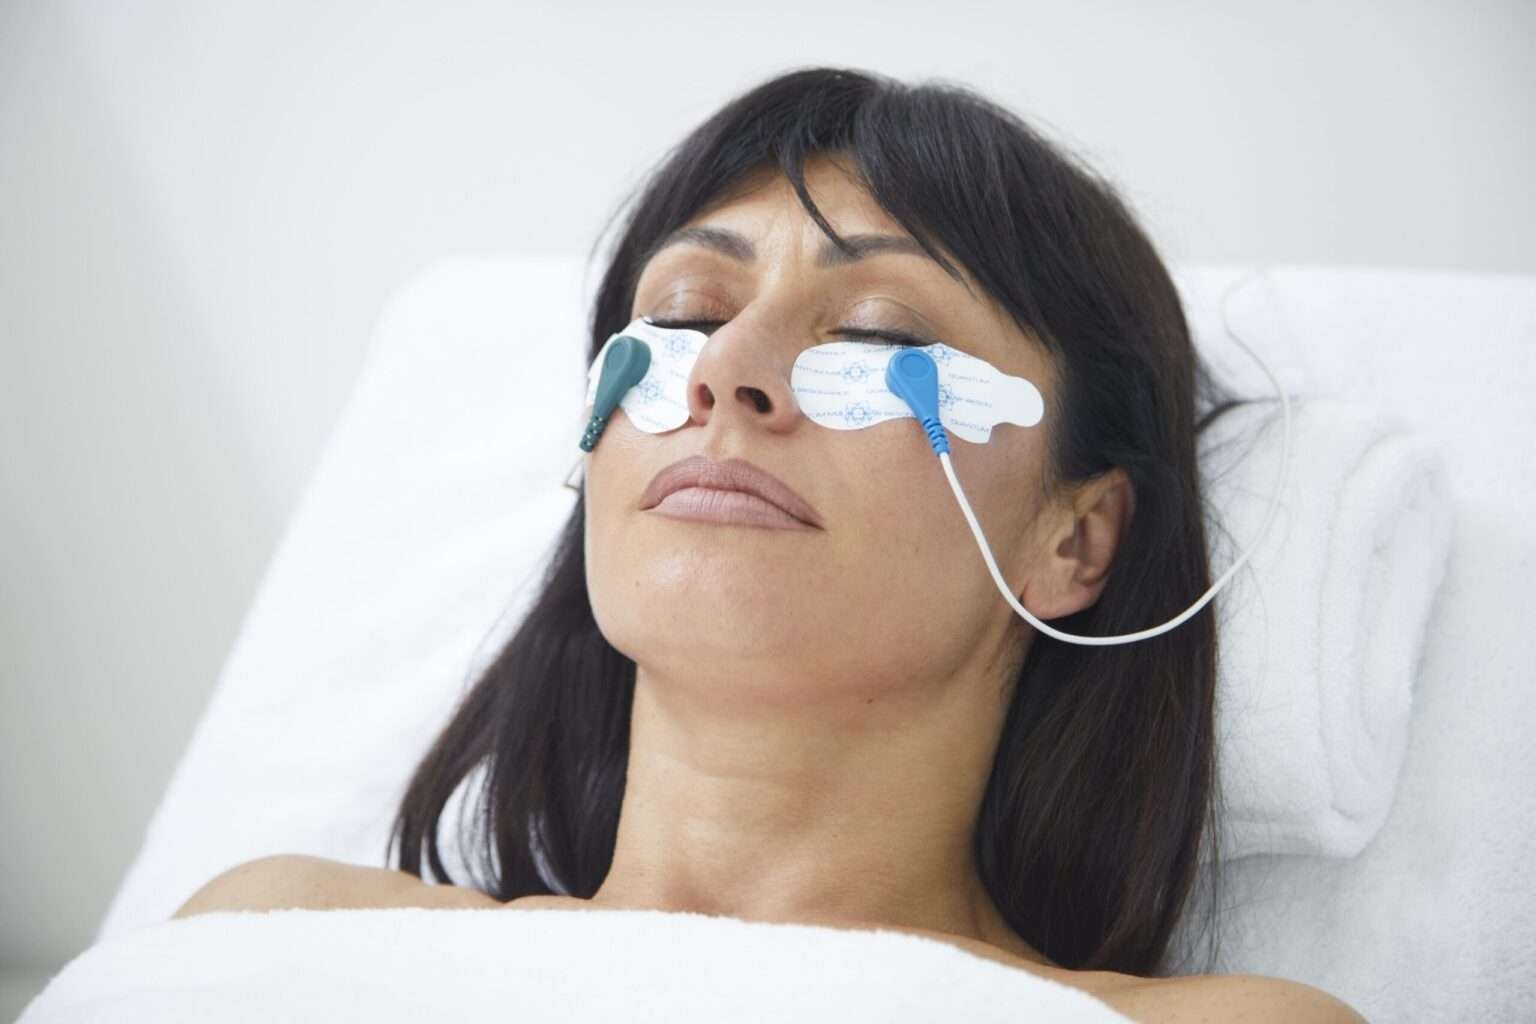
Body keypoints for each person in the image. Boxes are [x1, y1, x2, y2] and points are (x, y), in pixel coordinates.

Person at [177, 66, 1365, 1022]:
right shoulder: (279, 941)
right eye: (684, 313)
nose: (725, 369)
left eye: (875, 334)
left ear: (1077, 538)